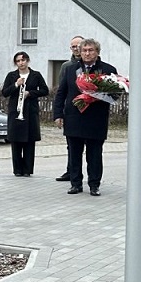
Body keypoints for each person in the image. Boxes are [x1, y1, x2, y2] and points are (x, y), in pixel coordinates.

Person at [52, 38, 118, 196]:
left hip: (96, 118)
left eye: (91, 50)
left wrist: (95, 96)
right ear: (79, 52)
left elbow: (115, 94)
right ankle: (75, 184)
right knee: (74, 153)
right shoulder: (70, 69)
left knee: (94, 154)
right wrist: (58, 114)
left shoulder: (108, 70)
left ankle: (94, 185)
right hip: (74, 117)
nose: (87, 53)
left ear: (97, 52)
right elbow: (61, 93)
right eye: (84, 51)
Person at [1, 51, 50, 177]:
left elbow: (45, 90)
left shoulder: (36, 75)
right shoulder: (11, 76)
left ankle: (28, 170)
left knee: (29, 141)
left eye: (23, 60)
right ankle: (17, 170)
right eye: (18, 61)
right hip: (15, 111)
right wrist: (16, 84)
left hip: (30, 111)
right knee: (16, 141)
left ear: (27, 61)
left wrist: (31, 93)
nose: (21, 63)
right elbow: (5, 92)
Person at [56, 36, 86, 182]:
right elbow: (62, 89)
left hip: (89, 111)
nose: (76, 49)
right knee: (72, 145)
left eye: (78, 45)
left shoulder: (91, 64)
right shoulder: (66, 66)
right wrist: (60, 112)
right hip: (72, 110)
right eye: (73, 46)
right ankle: (71, 172)